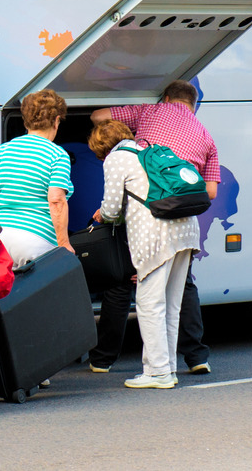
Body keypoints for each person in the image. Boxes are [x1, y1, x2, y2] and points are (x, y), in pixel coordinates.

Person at [90, 80, 217, 374]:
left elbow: (99, 116)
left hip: (148, 218)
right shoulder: (206, 135)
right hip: (184, 221)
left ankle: (108, 359)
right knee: (181, 291)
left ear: (167, 97)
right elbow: (209, 192)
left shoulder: (149, 112)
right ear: (193, 104)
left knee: (125, 285)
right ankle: (195, 357)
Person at [93, 119, 199, 390]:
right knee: (171, 304)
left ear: (102, 147)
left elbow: (112, 208)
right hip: (185, 229)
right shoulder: (147, 152)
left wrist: (102, 215)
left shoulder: (116, 159)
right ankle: (167, 367)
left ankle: (158, 373)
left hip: (156, 235)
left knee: (149, 303)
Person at [0, 89, 74, 268]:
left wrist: (8, 202)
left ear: (26, 121)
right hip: (36, 239)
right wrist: (63, 244)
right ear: (56, 121)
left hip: (0, 236)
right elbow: (56, 200)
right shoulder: (57, 155)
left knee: (5, 294)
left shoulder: (3, 150)